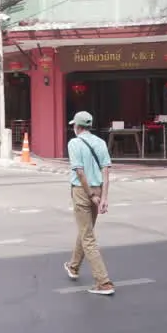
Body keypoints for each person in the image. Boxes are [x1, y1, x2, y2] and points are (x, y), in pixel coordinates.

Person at [63, 111, 115, 296]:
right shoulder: (100, 142)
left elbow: (80, 172)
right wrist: (104, 197)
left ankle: (104, 282)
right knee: (86, 230)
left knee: (88, 238)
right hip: (99, 188)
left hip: (82, 191)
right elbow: (106, 172)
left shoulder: (74, 143)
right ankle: (73, 266)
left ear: (77, 126)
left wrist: (91, 195)